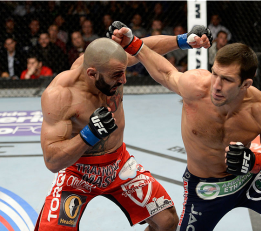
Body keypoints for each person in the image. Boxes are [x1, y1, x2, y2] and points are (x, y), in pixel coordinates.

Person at [111, 22, 261, 231]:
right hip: (204, 188)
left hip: (248, 180)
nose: (217, 86)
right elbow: (165, 72)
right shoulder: (197, 87)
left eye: (227, 80)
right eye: (215, 74)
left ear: (246, 84)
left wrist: (256, 161)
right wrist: (133, 43)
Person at [34, 24, 211, 230]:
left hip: (118, 163)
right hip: (78, 171)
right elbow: (52, 161)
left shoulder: (111, 64)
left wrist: (183, 40)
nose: (124, 79)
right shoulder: (61, 95)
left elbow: (143, 48)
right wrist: (89, 134)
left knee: (167, 220)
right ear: (92, 74)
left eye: (123, 72)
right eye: (117, 75)